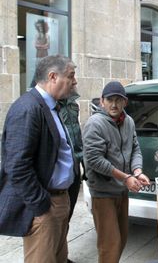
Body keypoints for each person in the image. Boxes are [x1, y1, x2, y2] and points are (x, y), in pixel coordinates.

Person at [0, 55, 77, 262]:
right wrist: (41, 206)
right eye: (71, 76)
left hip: (59, 201)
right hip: (45, 206)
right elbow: (16, 166)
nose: (75, 81)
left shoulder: (51, 107)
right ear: (53, 77)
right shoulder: (28, 108)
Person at [83, 81, 150, 263]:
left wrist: (137, 172)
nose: (114, 105)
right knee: (109, 244)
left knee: (121, 240)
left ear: (125, 102)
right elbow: (95, 160)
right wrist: (126, 177)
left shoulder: (128, 121)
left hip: (121, 190)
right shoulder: (95, 124)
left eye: (118, 100)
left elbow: (135, 148)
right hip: (103, 193)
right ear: (102, 101)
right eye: (110, 100)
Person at [30, 80, 83, 263]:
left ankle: (61, 252)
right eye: (70, 76)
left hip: (74, 166)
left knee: (65, 215)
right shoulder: (44, 107)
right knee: (50, 224)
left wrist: (81, 160)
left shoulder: (73, 105)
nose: (74, 82)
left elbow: (76, 135)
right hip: (53, 174)